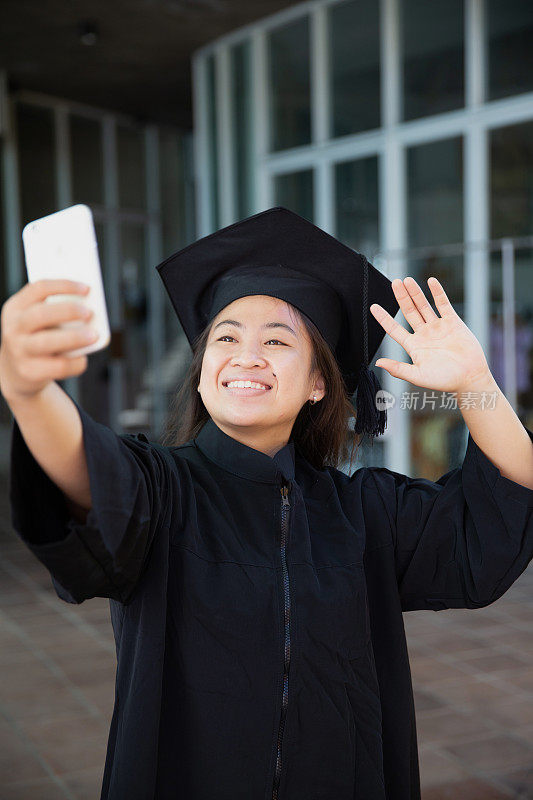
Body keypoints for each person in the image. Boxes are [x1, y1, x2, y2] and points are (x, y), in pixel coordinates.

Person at [1, 207, 532, 800]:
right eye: (225, 337)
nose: (246, 355)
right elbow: (87, 470)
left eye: (277, 341)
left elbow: (490, 518)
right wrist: (29, 392)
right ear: (202, 372)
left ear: (317, 384)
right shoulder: (162, 489)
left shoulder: (366, 514)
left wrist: (476, 386)